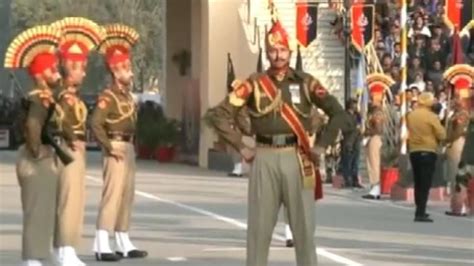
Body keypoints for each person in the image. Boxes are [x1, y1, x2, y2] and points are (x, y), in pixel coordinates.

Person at [208, 17, 348, 266]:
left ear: (290, 51)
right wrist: (241, 145)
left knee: (304, 230)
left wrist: (321, 145)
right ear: (267, 53)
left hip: (298, 157)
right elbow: (216, 115)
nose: (278, 55)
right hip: (264, 157)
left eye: (282, 49)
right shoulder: (253, 84)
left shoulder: (306, 83)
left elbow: (339, 113)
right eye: (273, 50)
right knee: (259, 231)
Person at [4, 25, 63, 266]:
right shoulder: (39, 98)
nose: (57, 72)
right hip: (36, 159)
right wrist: (38, 150)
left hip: (40, 158)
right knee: (37, 211)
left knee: (43, 210)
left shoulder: (43, 96)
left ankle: (36, 257)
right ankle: (32, 260)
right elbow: (31, 126)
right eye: (52, 69)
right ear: (39, 74)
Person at [50, 17, 105, 266]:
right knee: (69, 200)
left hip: (74, 150)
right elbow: (59, 120)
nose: (83, 72)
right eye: (78, 67)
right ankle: (65, 248)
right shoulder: (63, 95)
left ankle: (64, 247)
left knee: (75, 199)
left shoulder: (71, 95)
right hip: (68, 150)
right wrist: (73, 139)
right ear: (66, 67)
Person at [91, 24, 147, 261]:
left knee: (126, 195)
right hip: (115, 147)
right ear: (116, 71)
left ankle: (123, 239)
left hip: (129, 147)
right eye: (127, 68)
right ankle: (101, 243)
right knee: (112, 195)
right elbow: (95, 123)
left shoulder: (126, 95)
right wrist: (108, 145)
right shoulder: (108, 96)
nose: (131, 73)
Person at [407, 92, 446, 222]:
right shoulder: (431, 116)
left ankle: (419, 209)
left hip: (414, 150)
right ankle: (420, 212)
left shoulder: (411, 115)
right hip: (428, 150)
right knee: (425, 183)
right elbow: (441, 134)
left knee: (418, 182)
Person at [340, 98, 363, 188]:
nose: (355, 106)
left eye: (355, 104)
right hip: (348, 140)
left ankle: (355, 179)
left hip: (356, 140)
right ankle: (347, 180)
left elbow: (360, 125)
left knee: (355, 161)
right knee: (347, 160)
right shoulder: (344, 115)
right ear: (349, 105)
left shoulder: (357, 115)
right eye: (353, 104)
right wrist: (354, 129)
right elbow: (343, 128)